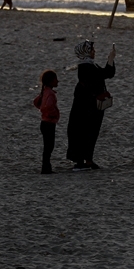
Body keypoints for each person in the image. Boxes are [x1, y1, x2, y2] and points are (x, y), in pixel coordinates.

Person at [65, 40, 116, 171]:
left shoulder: (91, 65)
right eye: (92, 50)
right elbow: (102, 76)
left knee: (91, 132)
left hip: (92, 107)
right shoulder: (85, 67)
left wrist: (110, 58)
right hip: (85, 107)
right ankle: (81, 161)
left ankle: (88, 160)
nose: (94, 52)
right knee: (83, 132)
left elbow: (107, 74)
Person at [34, 70, 60, 174]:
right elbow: (48, 106)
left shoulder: (44, 92)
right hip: (49, 123)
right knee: (49, 146)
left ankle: (46, 166)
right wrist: (52, 113)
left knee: (47, 146)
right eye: (55, 80)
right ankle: (46, 167)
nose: (58, 81)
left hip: (44, 122)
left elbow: (36, 102)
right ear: (51, 81)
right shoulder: (50, 94)